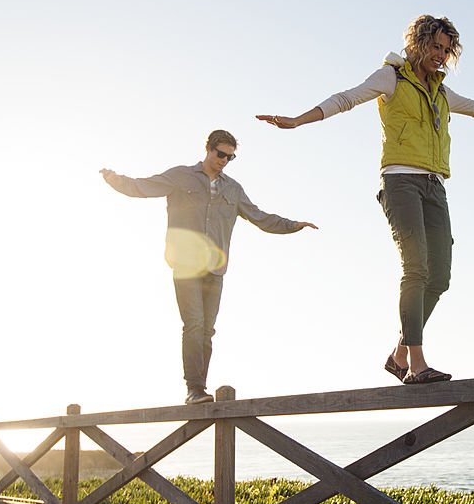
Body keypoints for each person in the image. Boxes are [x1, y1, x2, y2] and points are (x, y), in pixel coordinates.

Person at [257, 15, 474, 385]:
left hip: (435, 185)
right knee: (416, 268)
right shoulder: (391, 77)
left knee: (439, 277)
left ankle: (399, 353)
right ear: (418, 43)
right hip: (400, 182)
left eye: (445, 49)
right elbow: (346, 99)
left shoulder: (442, 92)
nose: (440, 55)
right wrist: (298, 120)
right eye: (434, 47)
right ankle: (416, 366)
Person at [100, 129, 318, 404]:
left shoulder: (233, 189)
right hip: (186, 264)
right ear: (208, 148)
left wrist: (293, 225)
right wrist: (115, 180)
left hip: (215, 270)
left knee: (207, 331)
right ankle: (194, 389)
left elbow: (260, 217)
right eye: (220, 154)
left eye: (230, 157)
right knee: (194, 324)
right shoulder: (181, 176)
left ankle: (199, 388)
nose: (224, 160)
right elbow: (143, 187)